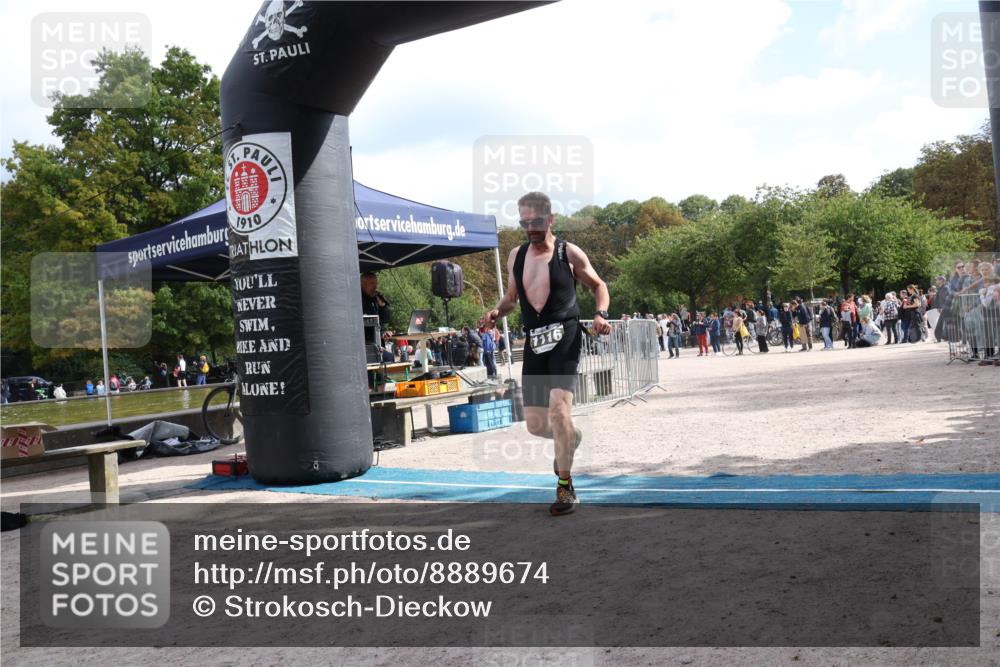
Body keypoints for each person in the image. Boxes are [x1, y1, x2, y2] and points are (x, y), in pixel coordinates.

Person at [481, 191, 610, 517]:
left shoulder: (569, 253)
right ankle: (571, 437)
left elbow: (599, 285)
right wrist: (497, 310)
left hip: (565, 337)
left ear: (550, 219)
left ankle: (565, 487)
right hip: (534, 342)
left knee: (559, 411)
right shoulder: (516, 256)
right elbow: (511, 297)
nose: (530, 228)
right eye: (525, 222)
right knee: (537, 425)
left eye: (536, 222)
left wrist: (601, 314)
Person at [361, 270, 390, 344]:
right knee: (389, 356)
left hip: (378, 341)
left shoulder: (376, 298)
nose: (375, 286)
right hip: (366, 341)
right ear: (363, 284)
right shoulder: (358, 300)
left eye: (376, 283)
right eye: (372, 283)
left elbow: (385, 320)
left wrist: (383, 306)